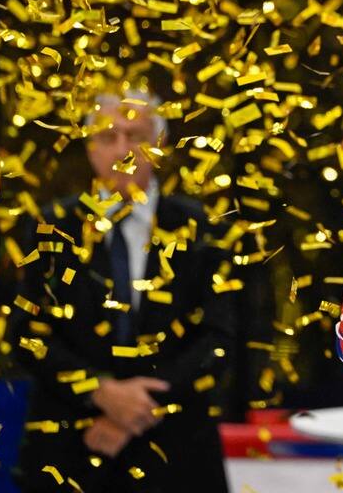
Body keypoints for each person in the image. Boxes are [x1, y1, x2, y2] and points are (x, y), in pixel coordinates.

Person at [12, 90, 235, 493]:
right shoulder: (50, 228)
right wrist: (99, 393)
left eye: (136, 136)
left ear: (160, 145)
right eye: (108, 137)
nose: (123, 150)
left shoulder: (204, 229)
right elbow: (26, 333)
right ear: (89, 147)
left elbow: (221, 335)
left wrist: (134, 410)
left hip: (178, 455)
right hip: (69, 452)